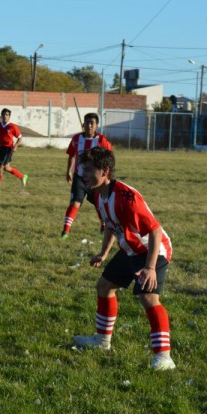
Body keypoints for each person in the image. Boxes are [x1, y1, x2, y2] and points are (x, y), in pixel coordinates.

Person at [72, 146, 175, 371]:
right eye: (83, 169)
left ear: (105, 171)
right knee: (104, 286)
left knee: (148, 297)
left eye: (89, 170)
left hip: (152, 250)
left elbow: (155, 231)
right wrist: (104, 253)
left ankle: (164, 358)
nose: (84, 174)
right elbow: (111, 226)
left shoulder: (127, 198)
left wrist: (149, 268)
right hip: (130, 249)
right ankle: (102, 342)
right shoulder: (98, 194)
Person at [60, 112, 112, 239]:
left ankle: (103, 225)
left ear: (96, 126)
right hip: (79, 177)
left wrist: (106, 175)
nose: (89, 125)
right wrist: (68, 171)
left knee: (100, 206)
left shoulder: (101, 140)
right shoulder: (76, 139)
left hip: (95, 180)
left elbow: (109, 157)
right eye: (87, 122)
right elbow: (71, 155)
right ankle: (65, 231)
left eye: (92, 123)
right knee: (74, 203)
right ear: (83, 124)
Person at [0, 108, 28, 191]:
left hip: (9, 149)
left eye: (7, 115)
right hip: (1, 148)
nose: (5, 116)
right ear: (1, 115)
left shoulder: (13, 127)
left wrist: (16, 146)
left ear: (9, 116)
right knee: (7, 168)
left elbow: (20, 138)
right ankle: (22, 176)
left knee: (0, 167)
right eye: (3, 114)